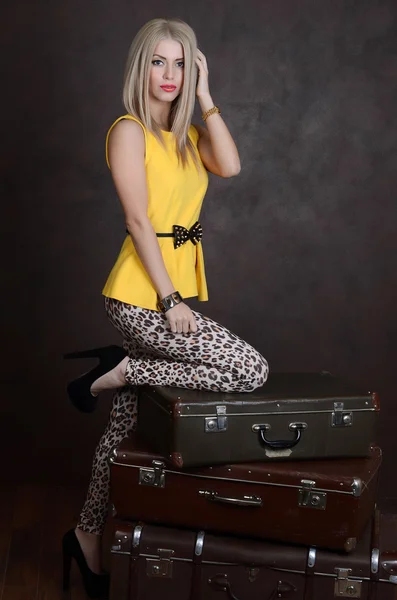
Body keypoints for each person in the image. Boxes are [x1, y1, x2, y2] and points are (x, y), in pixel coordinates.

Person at [62, 17, 269, 599]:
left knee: (124, 428)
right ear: (141, 68)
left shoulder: (185, 137)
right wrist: (170, 298)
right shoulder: (128, 130)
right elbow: (138, 221)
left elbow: (229, 165)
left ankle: (85, 533)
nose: (170, 74)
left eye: (181, 63)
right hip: (142, 295)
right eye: (159, 62)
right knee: (248, 370)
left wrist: (206, 98)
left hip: (165, 296)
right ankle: (123, 369)